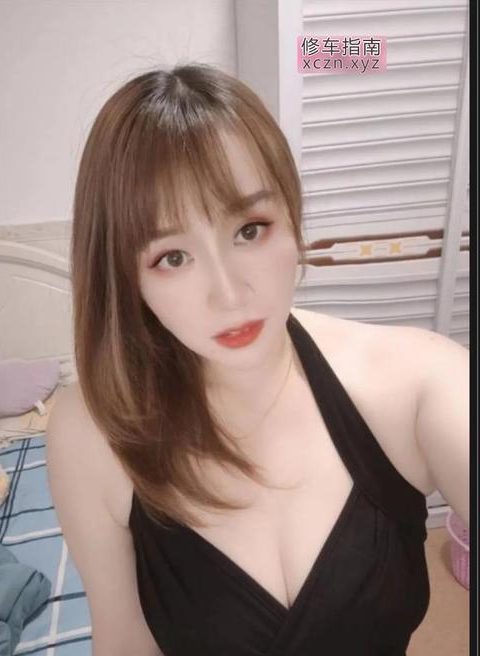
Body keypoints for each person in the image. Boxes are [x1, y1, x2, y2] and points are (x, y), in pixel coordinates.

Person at [46, 62, 469, 656]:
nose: (229, 294)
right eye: (172, 257)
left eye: (250, 229)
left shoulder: (421, 383)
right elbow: (123, 643)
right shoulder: (91, 434)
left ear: (292, 219)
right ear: (127, 279)